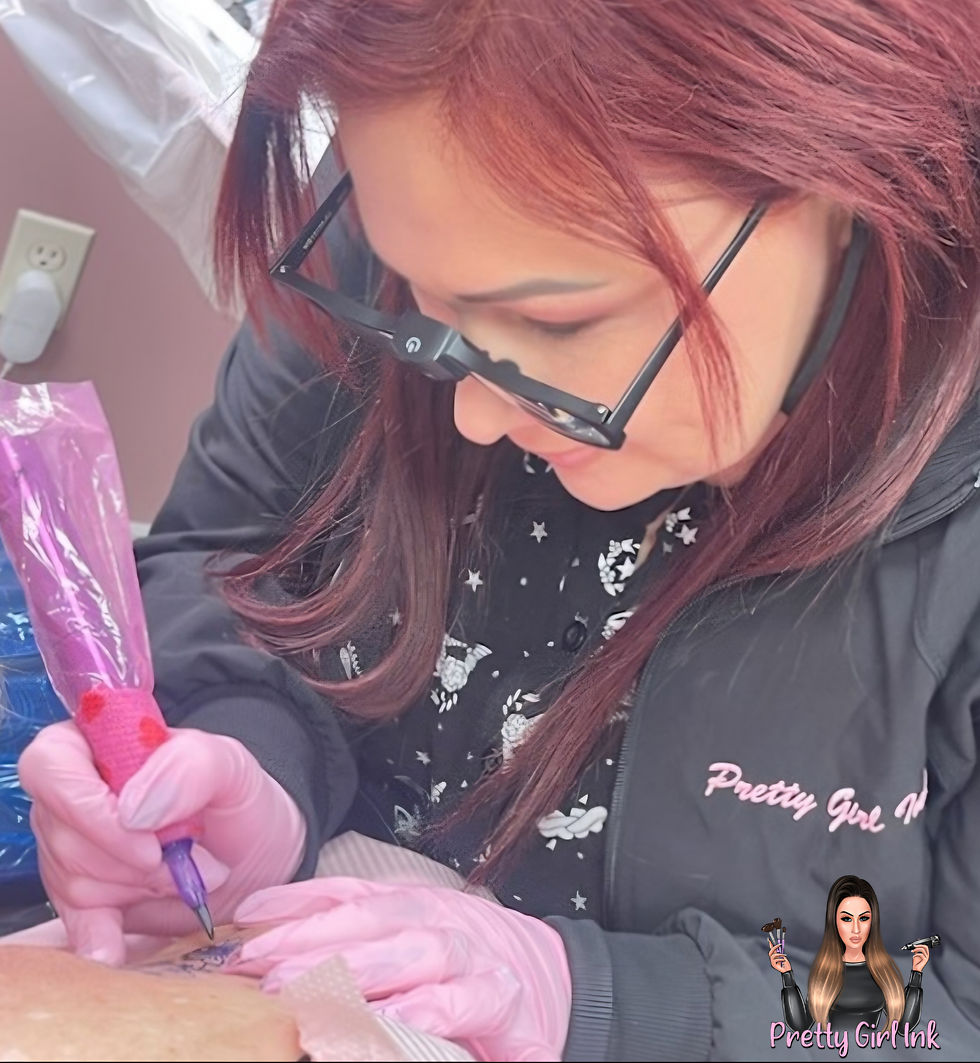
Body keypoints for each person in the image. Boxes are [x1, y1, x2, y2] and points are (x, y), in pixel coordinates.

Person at [15, 1, 980, 1059]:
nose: (471, 411)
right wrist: (247, 758)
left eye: (555, 322)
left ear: (853, 170)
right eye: (420, 304)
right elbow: (227, 553)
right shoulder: (405, 222)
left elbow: (960, 1008)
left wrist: (604, 1000)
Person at [768, 875, 929, 1035]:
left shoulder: (882, 972)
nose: (856, 929)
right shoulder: (826, 973)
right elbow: (800, 1025)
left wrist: (917, 973)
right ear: (834, 922)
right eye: (846, 919)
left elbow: (903, 1026)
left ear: (873, 922)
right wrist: (787, 976)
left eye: (864, 918)